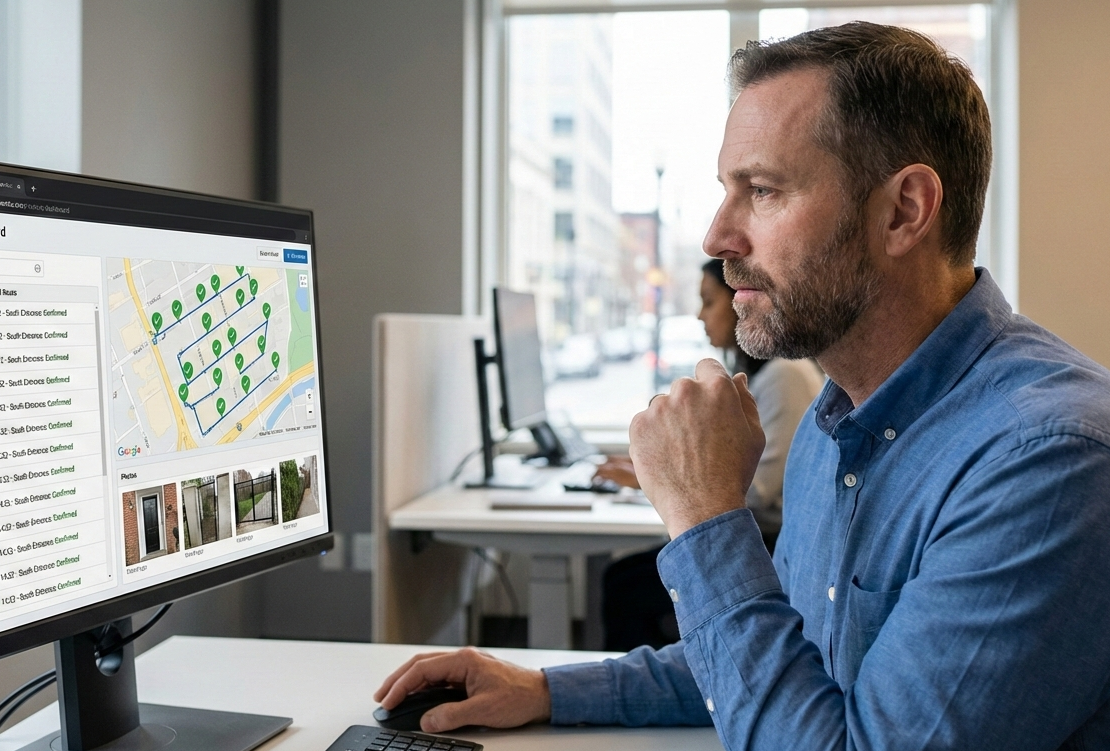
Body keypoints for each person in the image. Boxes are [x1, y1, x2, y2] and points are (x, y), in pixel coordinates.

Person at [376, 22, 1110, 750]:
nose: (716, 236)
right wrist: (543, 689)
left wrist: (703, 516)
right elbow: (770, 664)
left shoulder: (1049, 461)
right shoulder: (837, 422)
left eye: (761, 190)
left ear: (904, 210)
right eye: (727, 191)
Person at [597, 259, 822, 651]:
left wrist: (664, 478)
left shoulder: (784, 375)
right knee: (622, 577)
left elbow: (754, 493)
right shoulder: (758, 373)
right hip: (761, 534)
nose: (701, 315)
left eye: (708, 301)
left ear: (742, 300)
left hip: (770, 541)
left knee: (626, 586)